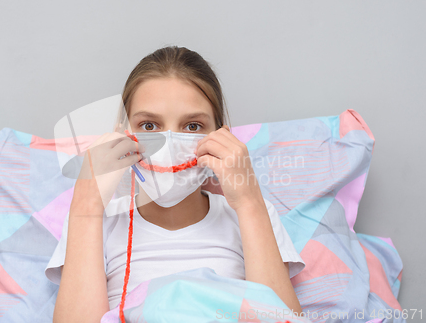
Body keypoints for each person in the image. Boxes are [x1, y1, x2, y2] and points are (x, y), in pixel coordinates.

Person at [45, 46, 305, 322]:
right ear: (123, 134)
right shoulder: (96, 220)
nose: (168, 144)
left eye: (192, 126)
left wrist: (250, 201)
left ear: (221, 136)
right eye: (149, 126)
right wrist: (86, 203)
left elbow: (282, 318)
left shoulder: (250, 214)